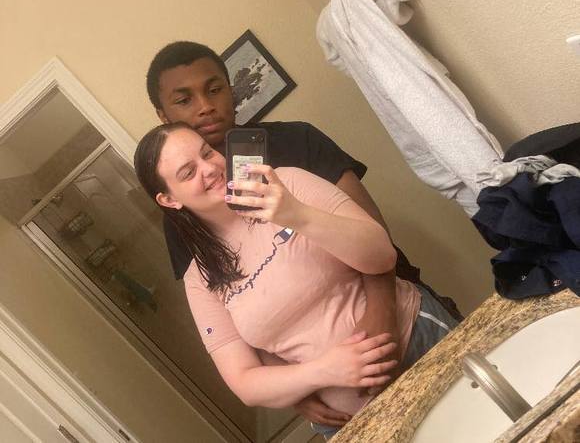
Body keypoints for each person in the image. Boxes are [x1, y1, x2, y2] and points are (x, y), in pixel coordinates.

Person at [145, 40, 462, 428]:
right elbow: (242, 316)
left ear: (231, 89)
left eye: (214, 89)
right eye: (184, 100)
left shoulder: (295, 145)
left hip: (404, 324)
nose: (205, 106)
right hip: (339, 402)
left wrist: (382, 324)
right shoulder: (185, 227)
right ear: (163, 115)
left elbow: (374, 235)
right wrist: (298, 387)